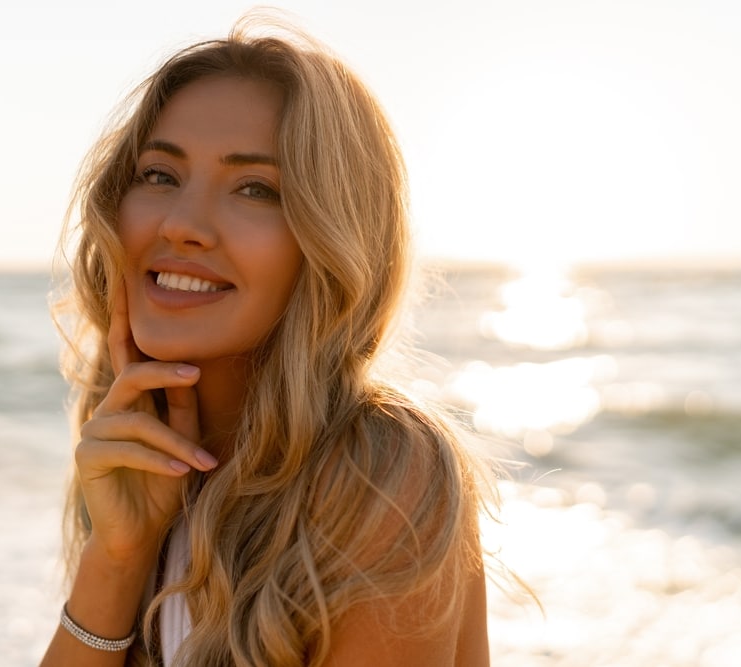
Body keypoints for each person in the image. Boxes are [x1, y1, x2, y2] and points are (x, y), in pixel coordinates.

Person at [41, 15, 495, 667]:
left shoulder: (384, 470)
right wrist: (115, 558)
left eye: (255, 188)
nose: (183, 224)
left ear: (330, 239)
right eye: (160, 176)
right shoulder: (143, 459)